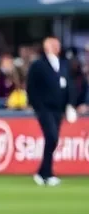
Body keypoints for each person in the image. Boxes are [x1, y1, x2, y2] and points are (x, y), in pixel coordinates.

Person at [26, 37, 77, 186]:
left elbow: (69, 85)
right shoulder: (38, 65)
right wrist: (36, 105)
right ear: (46, 46)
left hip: (58, 109)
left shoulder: (62, 63)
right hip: (45, 109)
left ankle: (43, 172)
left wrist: (70, 104)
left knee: (52, 140)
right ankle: (46, 173)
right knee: (52, 136)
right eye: (54, 44)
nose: (57, 46)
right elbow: (31, 87)